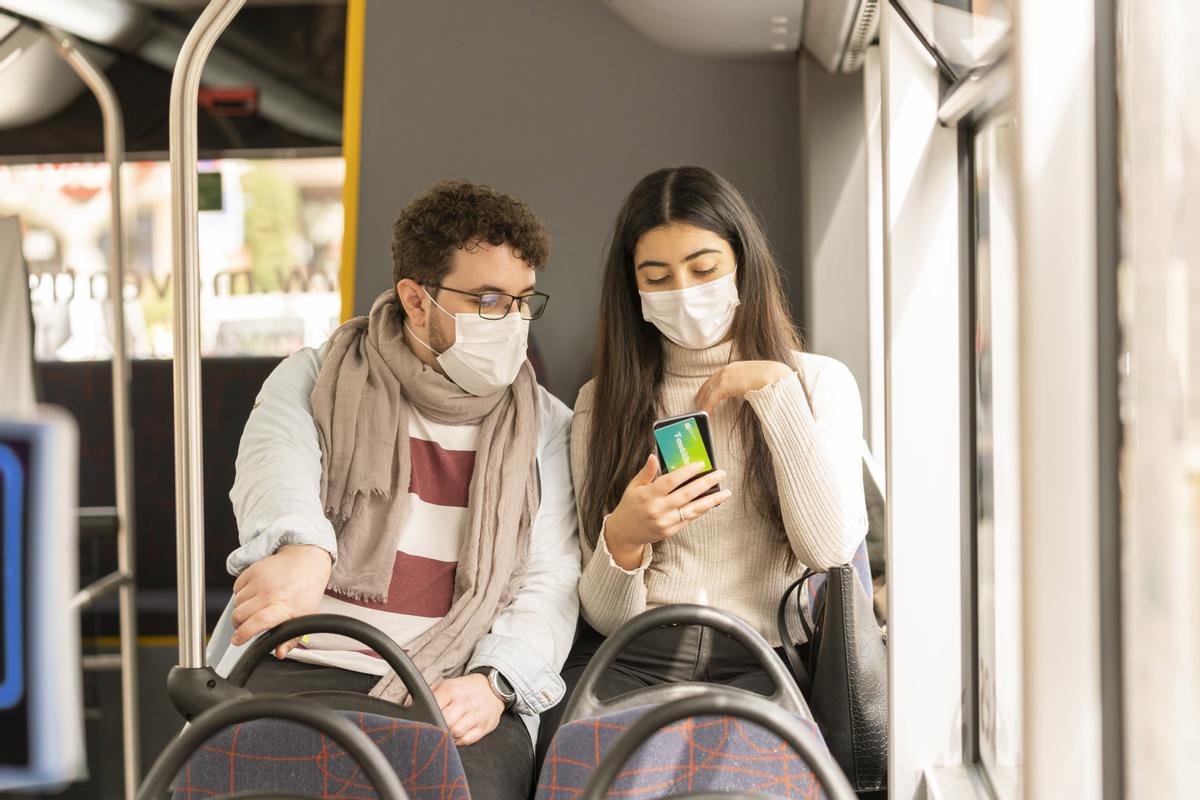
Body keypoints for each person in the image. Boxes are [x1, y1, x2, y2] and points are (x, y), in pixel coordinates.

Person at [214, 179, 580, 800]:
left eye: (523, 301)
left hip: (456, 681)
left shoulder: (547, 425)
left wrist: (496, 681)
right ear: (417, 300)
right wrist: (302, 549)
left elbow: (552, 577)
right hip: (303, 663)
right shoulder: (314, 378)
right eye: (489, 300)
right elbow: (275, 468)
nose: (512, 321)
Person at [536, 165, 868, 764]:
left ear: (743, 263)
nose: (683, 292)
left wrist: (777, 392)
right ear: (632, 290)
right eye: (656, 277)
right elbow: (607, 617)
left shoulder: (820, 382)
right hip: (633, 665)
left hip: (765, 664)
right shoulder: (601, 401)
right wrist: (625, 539)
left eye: (704, 268)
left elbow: (830, 552)